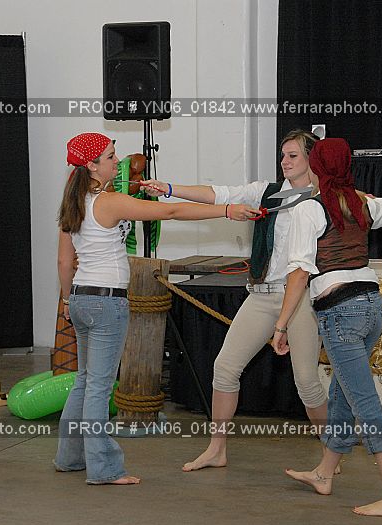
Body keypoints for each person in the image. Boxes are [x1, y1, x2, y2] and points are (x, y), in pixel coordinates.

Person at [54, 132, 251, 485]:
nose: (118, 162)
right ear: (92, 166)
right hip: (106, 302)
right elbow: (171, 210)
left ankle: (70, 457)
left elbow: (64, 262)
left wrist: (68, 300)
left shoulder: (74, 203)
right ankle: (103, 468)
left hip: (82, 298)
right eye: (110, 157)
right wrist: (225, 210)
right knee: (98, 386)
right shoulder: (108, 202)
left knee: (85, 381)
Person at [142, 129, 330, 472]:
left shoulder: (324, 198)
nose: (284, 161)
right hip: (262, 295)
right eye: (283, 155)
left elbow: (371, 208)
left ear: (311, 159)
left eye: (293, 156)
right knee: (225, 368)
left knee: (307, 382)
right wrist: (168, 188)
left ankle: (332, 454)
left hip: (300, 298)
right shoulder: (267, 192)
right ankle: (217, 449)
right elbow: (218, 193)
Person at [272, 138, 382, 517]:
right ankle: (324, 473)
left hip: (341, 313)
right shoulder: (360, 204)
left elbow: (299, 273)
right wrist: (352, 191)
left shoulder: (309, 209)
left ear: (316, 166)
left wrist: (281, 325)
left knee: (363, 401)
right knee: (342, 395)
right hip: (372, 308)